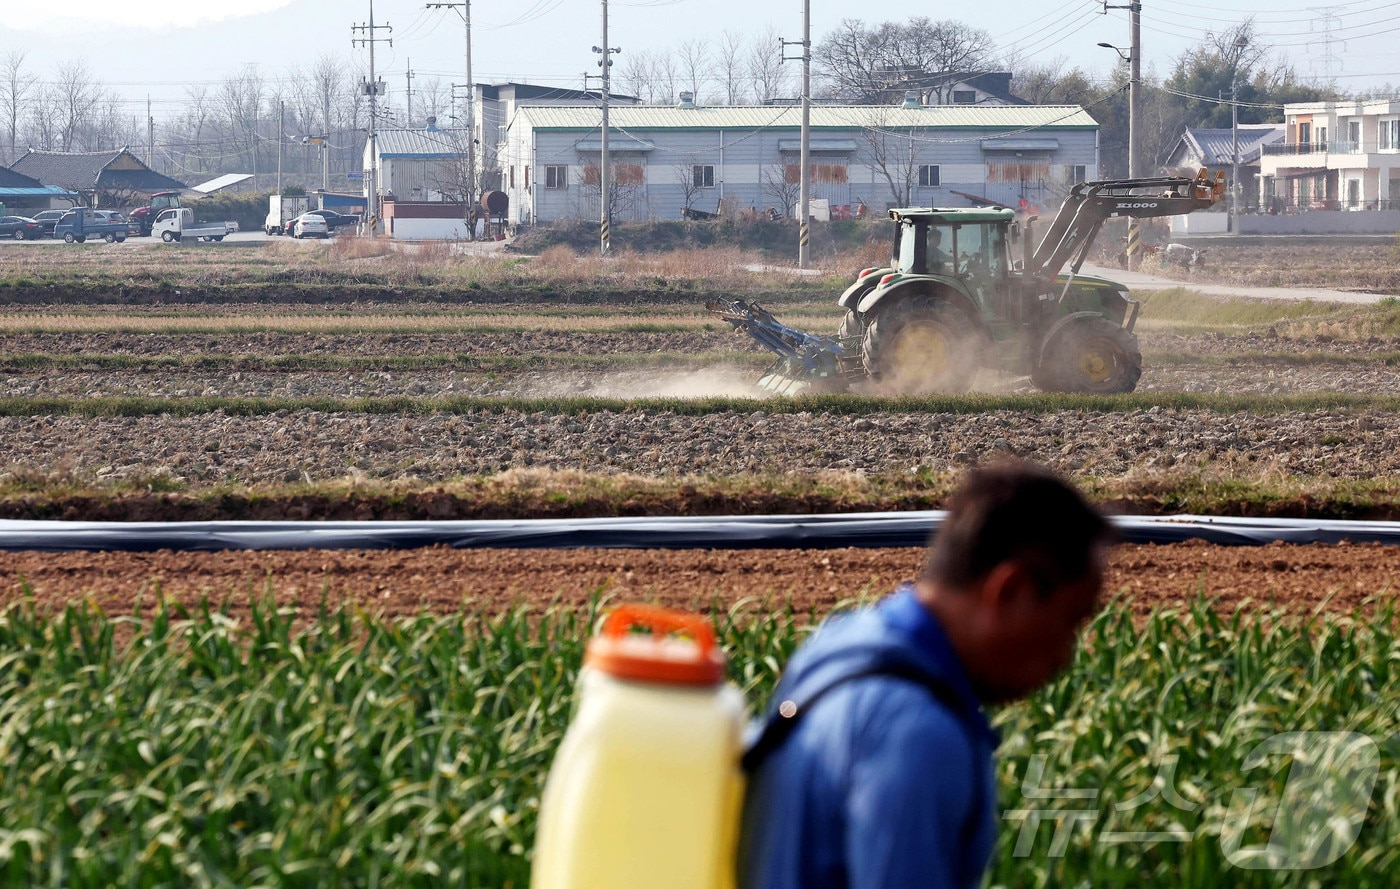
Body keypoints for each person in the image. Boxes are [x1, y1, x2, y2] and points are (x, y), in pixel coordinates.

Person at [737, 461, 1112, 889]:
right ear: (1009, 591)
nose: (1065, 656)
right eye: (1069, 621)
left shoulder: (839, 642)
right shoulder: (917, 732)